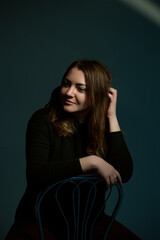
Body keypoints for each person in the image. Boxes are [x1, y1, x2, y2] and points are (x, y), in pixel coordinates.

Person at [6, 59, 140, 239]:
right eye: (66, 84)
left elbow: (124, 172)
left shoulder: (102, 125)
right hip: (41, 222)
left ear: (97, 95)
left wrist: (111, 116)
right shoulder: (42, 120)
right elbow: (35, 175)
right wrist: (92, 161)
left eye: (81, 89)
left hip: (89, 224)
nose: (69, 92)